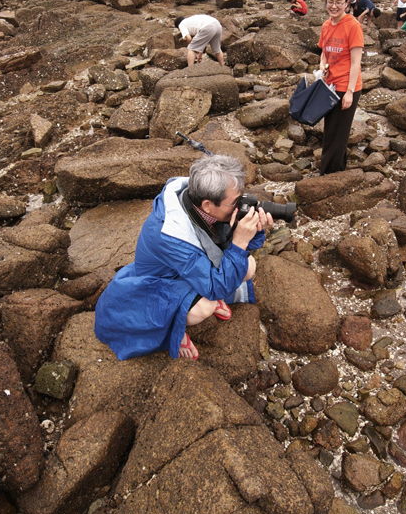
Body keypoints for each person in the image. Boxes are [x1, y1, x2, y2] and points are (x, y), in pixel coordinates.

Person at [94, 154, 273, 360]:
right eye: (235, 202)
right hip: (161, 283)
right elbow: (217, 286)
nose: (239, 206)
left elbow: (233, 247)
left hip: (189, 269)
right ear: (208, 205)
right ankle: (172, 332)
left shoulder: (201, 200)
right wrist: (239, 242)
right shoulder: (169, 234)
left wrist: (254, 229)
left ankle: (205, 300)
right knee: (203, 308)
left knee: (248, 265)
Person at [318, 0, 364, 175]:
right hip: (330, 85)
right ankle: (338, 171)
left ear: (347, 4)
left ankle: (327, 176)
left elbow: (356, 63)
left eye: (339, 2)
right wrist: (322, 64)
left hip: (346, 87)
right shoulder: (326, 24)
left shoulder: (353, 26)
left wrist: (350, 92)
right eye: (331, 2)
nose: (334, 6)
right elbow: (324, 52)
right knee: (332, 132)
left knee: (338, 134)